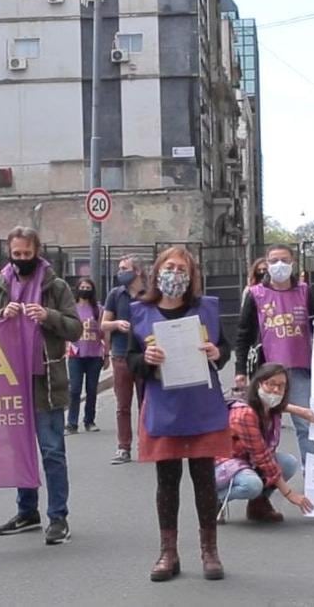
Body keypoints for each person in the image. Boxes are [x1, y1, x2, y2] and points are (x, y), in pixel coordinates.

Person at [128, 246, 230, 582]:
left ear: (191, 276)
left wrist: (217, 352)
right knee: (167, 481)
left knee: (204, 479)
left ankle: (209, 551)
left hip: (201, 404)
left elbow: (225, 349)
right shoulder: (141, 313)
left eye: (182, 269)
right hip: (164, 406)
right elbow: (130, 360)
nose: (175, 274)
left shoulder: (206, 310)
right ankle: (168, 552)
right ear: (157, 273)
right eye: (169, 267)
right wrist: (146, 360)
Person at [0, 227, 82, 545]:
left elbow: (76, 329)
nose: (22, 259)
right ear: (10, 253)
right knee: (19, 451)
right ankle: (27, 511)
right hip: (11, 380)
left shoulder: (56, 286)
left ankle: (58, 517)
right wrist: (0, 314)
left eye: (27, 254)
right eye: (17, 254)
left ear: (38, 251)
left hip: (46, 382)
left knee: (52, 451)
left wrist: (48, 315)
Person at [235, 244, 314, 465]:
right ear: (267, 264)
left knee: (305, 424)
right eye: (274, 261)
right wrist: (240, 370)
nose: (279, 265)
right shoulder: (255, 294)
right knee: (265, 427)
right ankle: (262, 479)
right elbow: (244, 333)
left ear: (292, 263)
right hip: (267, 371)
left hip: (301, 369)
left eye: (284, 260)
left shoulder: (305, 291)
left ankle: (311, 475)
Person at [215, 363, 314, 523]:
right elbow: (263, 458)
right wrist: (290, 494)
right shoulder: (244, 414)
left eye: (281, 386)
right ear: (259, 384)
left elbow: (280, 406)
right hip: (223, 463)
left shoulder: (269, 407)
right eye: (271, 384)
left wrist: (302, 411)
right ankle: (212, 499)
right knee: (252, 485)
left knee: (288, 463)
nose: (276, 390)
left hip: (247, 461)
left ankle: (258, 505)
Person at [102, 254, 147, 464]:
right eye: (119, 268)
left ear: (137, 271)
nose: (120, 272)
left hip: (144, 355)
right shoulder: (115, 294)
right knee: (123, 405)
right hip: (120, 355)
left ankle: (145, 445)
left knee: (146, 403)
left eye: (124, 268)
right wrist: (117, 324)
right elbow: (103, 324)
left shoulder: (150, 294)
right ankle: (123, 447)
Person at [66, 277, 109, 435]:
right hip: (75, 354)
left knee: (91, 390)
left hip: (94, 354)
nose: (85, 290)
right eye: (82, 287)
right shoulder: (71, 308)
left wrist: (106, 354)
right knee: (75, 390)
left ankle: (89, 421)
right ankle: (71, 423)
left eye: (88, 287)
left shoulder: (99, 309)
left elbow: (105, 333)